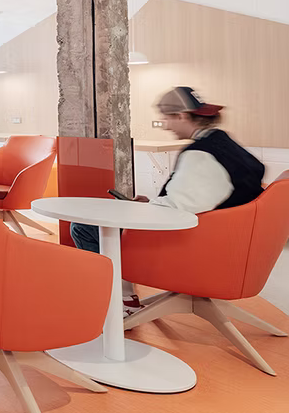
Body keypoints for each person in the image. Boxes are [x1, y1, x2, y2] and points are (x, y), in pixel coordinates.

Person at [71, 86, 265, 313]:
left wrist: (146, 208)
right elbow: (200, 198)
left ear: (181, 116)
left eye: (166, 118)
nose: (165, 125)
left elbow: (177, 210)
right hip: (228, 240)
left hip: (196, 246)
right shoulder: (224, 144)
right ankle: (122, 295)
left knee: (85, 227)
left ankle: (117, 300)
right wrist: (150, 203)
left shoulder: (201, 155)